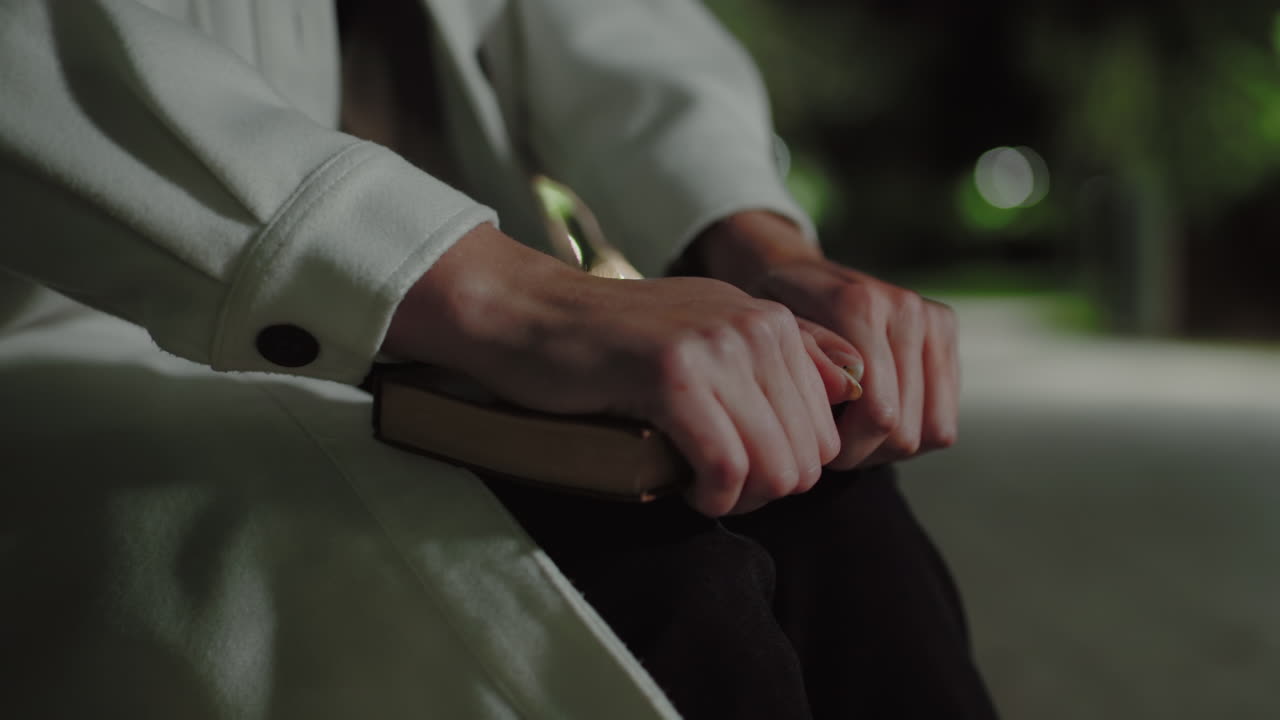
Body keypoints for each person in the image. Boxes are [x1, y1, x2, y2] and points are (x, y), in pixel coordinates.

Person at [0, 0, 995, 718]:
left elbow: (600, 26)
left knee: (830, 504)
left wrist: (760, 249)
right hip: (66, 334)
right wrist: (504, 294)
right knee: (651, 590)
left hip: (428, 314)